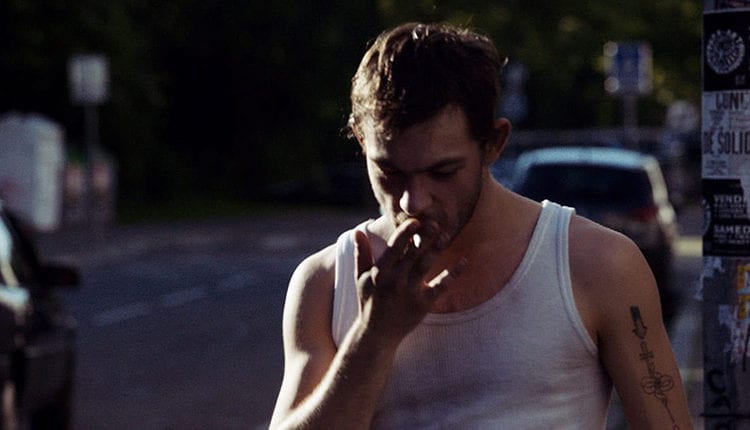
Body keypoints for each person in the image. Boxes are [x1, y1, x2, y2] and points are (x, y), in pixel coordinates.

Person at [270, 22, 693, 429]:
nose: (413, 202)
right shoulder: (327, 281)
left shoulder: (597, 264)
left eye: (442, 172)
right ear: (362, 142)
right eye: (390, 172)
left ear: (493, 144)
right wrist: (373, 337)